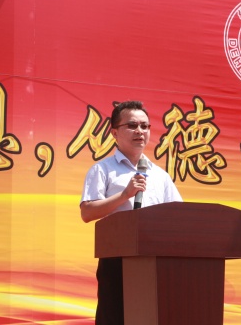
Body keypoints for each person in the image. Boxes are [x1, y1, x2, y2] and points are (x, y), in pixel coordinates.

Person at [80, 100, 183, 325]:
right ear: (114, 132)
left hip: (155, 259)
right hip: (117, 258)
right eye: (132, 125)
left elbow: (179, 216)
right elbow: (87, 212)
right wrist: (124, 195)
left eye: (145, 126)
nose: (140, 131)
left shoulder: (160, 176)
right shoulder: (102, 169)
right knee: (115, 318)